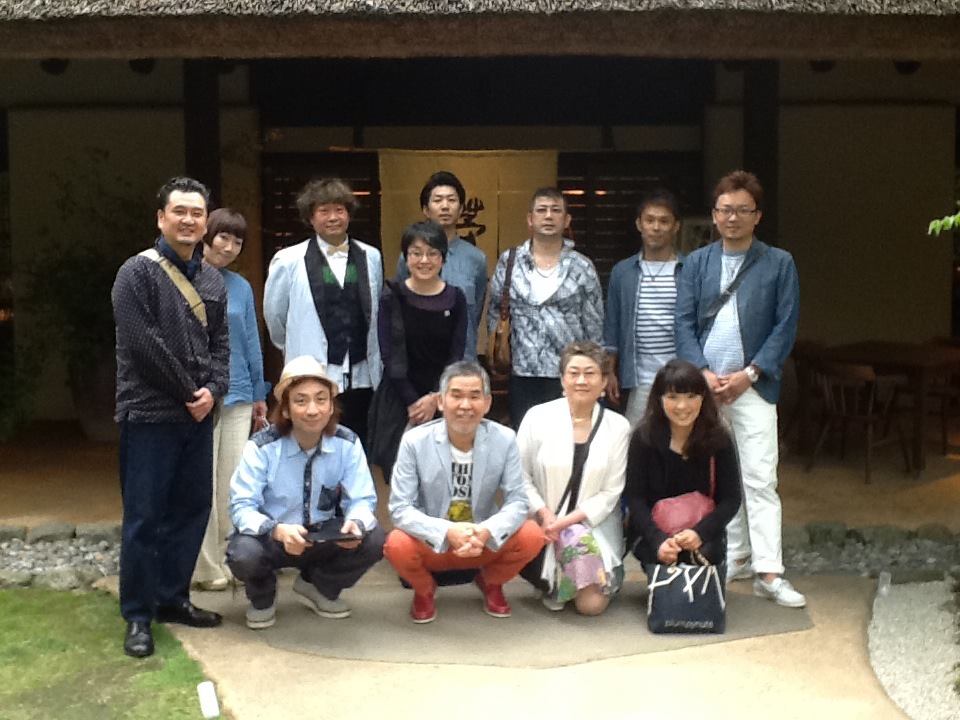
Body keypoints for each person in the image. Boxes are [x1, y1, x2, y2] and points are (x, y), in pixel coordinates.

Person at [675, 170, 805, 608]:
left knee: (760, 478)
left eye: (742, 210)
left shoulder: (779, 263)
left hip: (754, 386)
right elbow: (683, 322)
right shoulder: (696, 263)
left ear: (758, 215)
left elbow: (785, 326)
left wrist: (751, 373)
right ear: (714, 214)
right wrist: (703, 372)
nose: (733, 218)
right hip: (707, 388)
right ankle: (733, 555)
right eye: (725, 210)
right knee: (713, 477)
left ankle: (770, 571)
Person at [112, 177, 229, 658]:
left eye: (196, 213)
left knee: (191, 509)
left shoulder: (212, 280)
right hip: (148, 416)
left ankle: (172, 598)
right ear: (161, 217)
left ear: (205, 222)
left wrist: (213, 392)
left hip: (197, 417)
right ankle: (138, 616)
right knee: (145, 517)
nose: (188, 220)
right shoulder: (135, 273)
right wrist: (189, 393)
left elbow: (221, 345)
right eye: (179, 211)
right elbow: (142, 345)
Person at [227, 355, 384, 630]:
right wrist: (277, 531)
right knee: (244, 553)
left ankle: (318, 586)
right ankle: (262, 597)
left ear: (331, 405)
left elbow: (362, 499)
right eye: (301, 401)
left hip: (323, 535)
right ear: (286, 409)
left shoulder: (347, 443)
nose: (313, 410)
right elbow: (241, 506)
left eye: (321, 400)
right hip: (273, 536)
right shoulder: (262, 447)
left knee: (375, 538)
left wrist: (356, 523)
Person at [384, 361, 544, 623]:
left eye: (474, 396)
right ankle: (424, 590)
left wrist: (487, 530)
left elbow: (517, 500)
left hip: (482, 541)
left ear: (487, 403)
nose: (465, 405)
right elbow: (400, 508)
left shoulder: (505, 439)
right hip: (434, 541)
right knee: (396, 544)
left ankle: (491, 582)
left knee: (532, 535)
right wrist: (447, 531)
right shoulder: (414, 441)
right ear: (440, 401)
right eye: (456, 395)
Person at [263, 178, 383, 448]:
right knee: (314, 443)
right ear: (310, 217)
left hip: (361, 372)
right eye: (324, 211)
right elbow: (275, 317)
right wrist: (294, 344)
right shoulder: (289, 260)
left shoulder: (370, 256)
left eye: (339, 210)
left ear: (349, 214)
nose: (333, 218)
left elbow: (374, 310)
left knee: (358, 443)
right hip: (313, 369)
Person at [517, 341, 630, 615]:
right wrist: (545, 515)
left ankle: (587, 576)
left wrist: (565, 523)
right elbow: (519, 477)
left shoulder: (618, 427)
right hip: (544, 523)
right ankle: (551, 578)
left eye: (590, 374)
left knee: (590, 607)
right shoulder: (537, 418)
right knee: (533, 548)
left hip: (592, 525)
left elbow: (610, 493)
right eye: (574, 373)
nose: (581, 380)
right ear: (562, 379)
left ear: (604, 381)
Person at [192, 208, 269, 591]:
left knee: (233, 485)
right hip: (198, 396)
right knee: (200, 484)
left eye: (237, 241)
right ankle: (204, 568)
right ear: (206, 234)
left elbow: (251, 340)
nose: (229, 246)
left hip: (238, 395)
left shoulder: (240, 287)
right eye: (223, 236)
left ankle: (229, 558)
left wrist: (259, 393)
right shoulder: (183, 278)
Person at [487, 187, 604, 428]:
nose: (548, 216)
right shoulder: (510, 262)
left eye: (555, 210)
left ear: (567, 220)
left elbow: (594, 323)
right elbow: (496, 310)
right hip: (523, 371)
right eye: (541, 210)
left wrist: (595, 369)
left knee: (569, 437)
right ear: (530, 219)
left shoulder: (582, 266)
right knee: (526, 437)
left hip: (570, 373)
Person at [369, 221, 467, 482]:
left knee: (444, 478)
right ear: (406, 257)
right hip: (399, 397)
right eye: (416, 253)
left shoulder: (456, 298)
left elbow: (456, 354)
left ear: (443, 258)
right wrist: (414, 401)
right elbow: (390, 355)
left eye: (432, 253)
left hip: (444, 396)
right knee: (400, 479)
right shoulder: (392, 295)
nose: (424, 260)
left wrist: (435, 397)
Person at [624, 359, 741, 577]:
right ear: (659, 398)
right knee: (661, 559)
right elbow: (635, 498)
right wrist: (659, 540)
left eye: (691, 396)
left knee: (705, 553)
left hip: (701, 531)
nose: (682, 406)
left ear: (703, 397)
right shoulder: (644, 438)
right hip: (654, 532)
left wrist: (700, 533)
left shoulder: (718, 438)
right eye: (672, 397)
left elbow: (731, 499)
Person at [605, 189, 684, 425]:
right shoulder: (623, 272)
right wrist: (609, 371)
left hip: (681, 374)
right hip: (639, 378)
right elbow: (612, 326)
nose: (656, 227)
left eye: (664, 221)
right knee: (638, 438)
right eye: (650, 220)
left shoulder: (689, 269)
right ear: (639, 224)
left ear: (676, 226)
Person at [395, 171, 488, 360]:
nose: (445, 206)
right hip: (419, 359)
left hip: (463, 361)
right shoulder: (409, 258)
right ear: (426, 210)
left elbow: (475, 311)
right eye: (437, 200)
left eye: (451, 200)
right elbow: (401, 305)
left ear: (461, 209)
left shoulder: (476, 258)